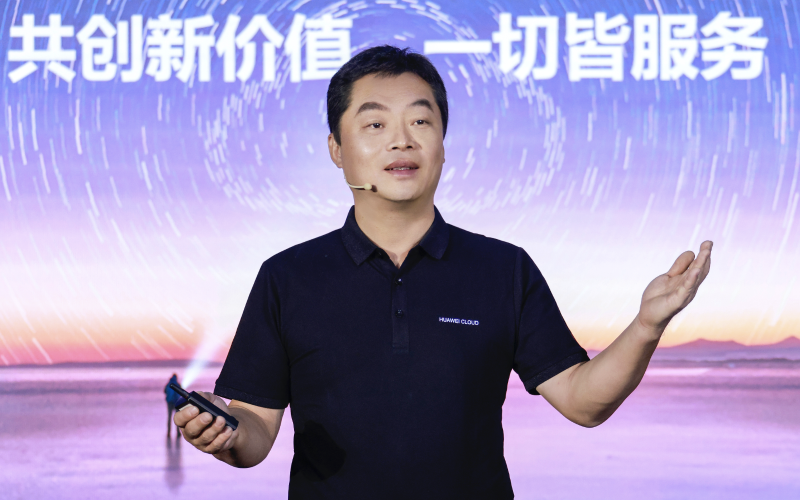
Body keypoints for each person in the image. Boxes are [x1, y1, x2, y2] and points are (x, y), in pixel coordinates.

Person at [174, 46, 712, 498]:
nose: (402, 140)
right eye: (375, 124)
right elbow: (256, 429)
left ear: (443, 147)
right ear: (337, 149)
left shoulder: (504, 269)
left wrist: (647, 325)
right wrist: (224, 433)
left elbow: (582, 400)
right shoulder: (287, 277)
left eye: (421, 121)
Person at [164, 373, 181, 438]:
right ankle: (178, 432)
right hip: (176, 403)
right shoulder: (178, 384)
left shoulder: (168, 384)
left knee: (169, 417)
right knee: (177, 418)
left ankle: (168, 433)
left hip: (169, 403)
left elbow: (165, 391)